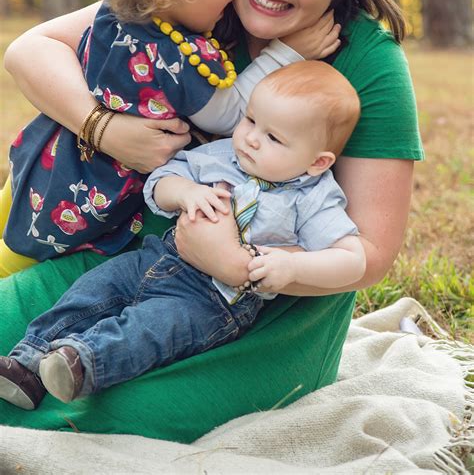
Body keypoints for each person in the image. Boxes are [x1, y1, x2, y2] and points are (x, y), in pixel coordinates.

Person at [0, 0, 422, 442]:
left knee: (117, 415)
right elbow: (30, 49)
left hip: (260, 308)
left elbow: (371, 251)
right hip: (126, 258)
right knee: (16, 356)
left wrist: (238, 268)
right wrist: (103, 127)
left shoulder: (366, 62)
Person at [0, 0, 335, 275]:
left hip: (45, 157)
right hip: (77, 195)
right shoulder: (174, 59)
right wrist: (286, 54)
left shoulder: (120, 11)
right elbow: (228, 114)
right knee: (12, 263)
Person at [0, 61, 365, 410]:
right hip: (160, 256)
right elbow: (159, 183)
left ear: (318, 161)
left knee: (152, 329)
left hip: (213, 300)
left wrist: (295, 267)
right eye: (251, 120)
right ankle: (28, 361)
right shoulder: (222, 156)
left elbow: (352, 258)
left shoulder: (314, 198)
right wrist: (185, 192)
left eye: (273, 137)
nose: (251, 139)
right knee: (94, 291)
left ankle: (81, 363)